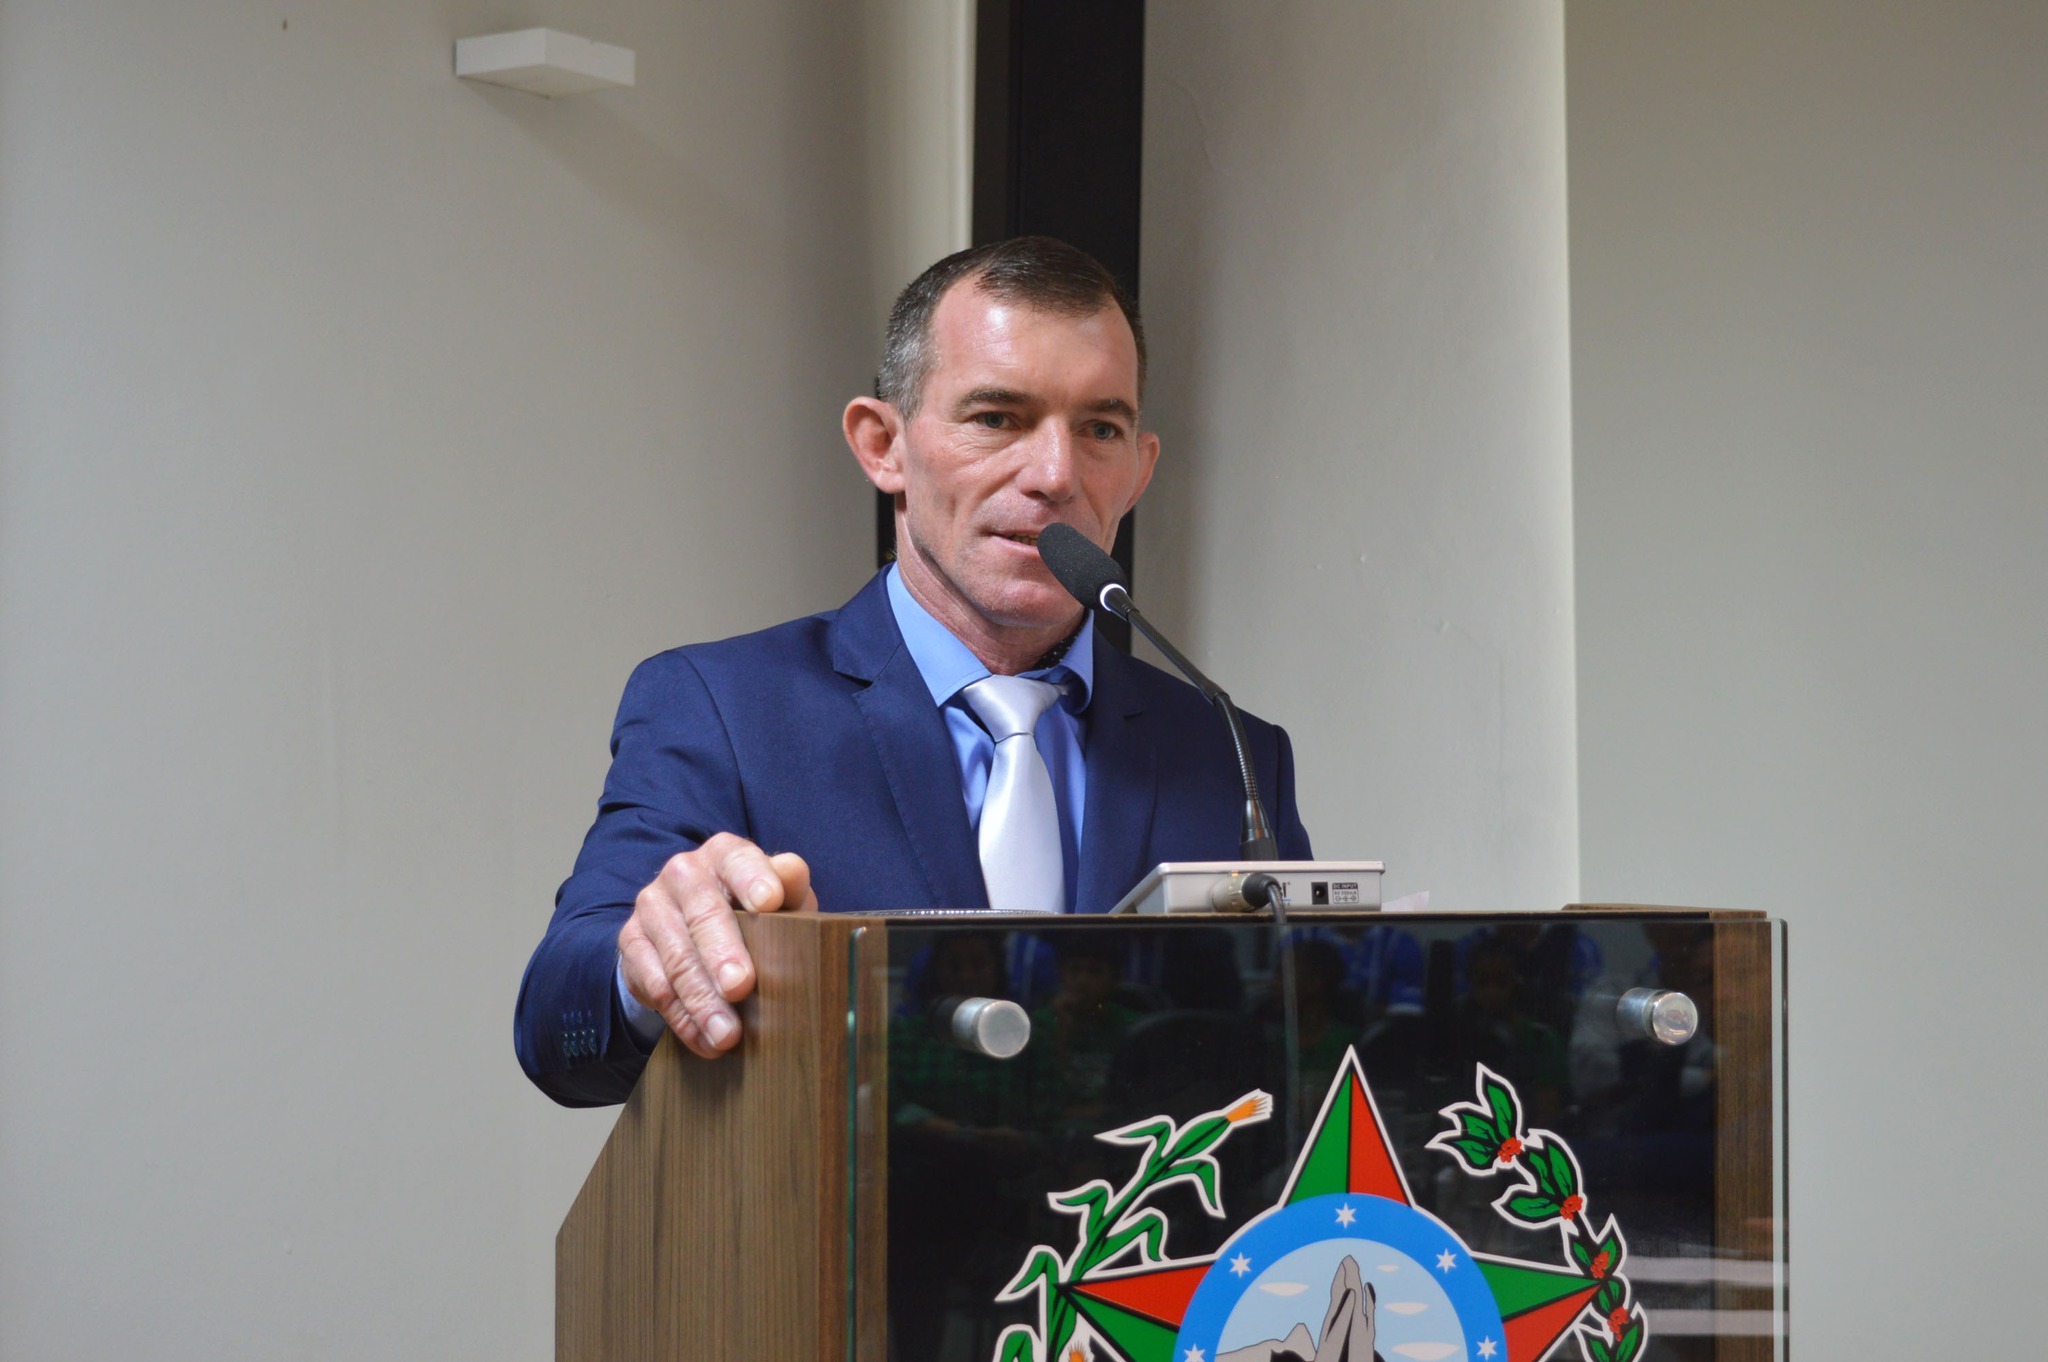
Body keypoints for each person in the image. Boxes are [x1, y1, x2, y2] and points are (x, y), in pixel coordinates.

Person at [515, 237, 1312, 1106]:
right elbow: (557, 1024)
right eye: (997, 418)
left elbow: (1290, 1049)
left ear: (1140, 470)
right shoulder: (724, 710)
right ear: (883, 445)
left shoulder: (1233, 754)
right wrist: (650, 962)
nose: (1055, 474)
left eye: (1100, 429)